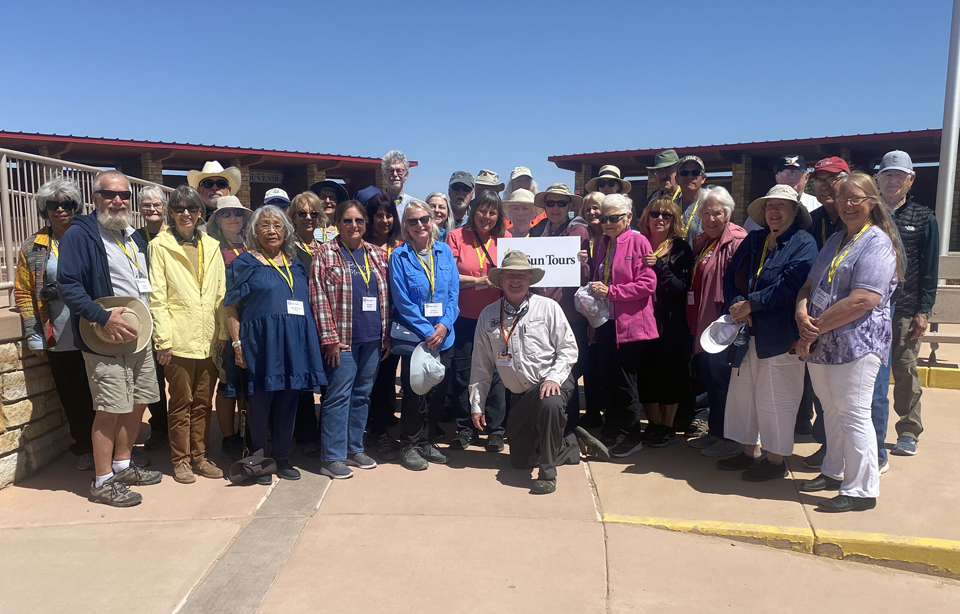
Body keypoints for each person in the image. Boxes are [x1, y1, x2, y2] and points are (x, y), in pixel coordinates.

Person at [796, 172, 901, 512]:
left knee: (853, 413)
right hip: (823, 342)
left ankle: (861, 490)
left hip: (856, 344)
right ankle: (834, 470)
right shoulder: (835, 240)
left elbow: (864, 299)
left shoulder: (879, 243)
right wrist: (802, 312)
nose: (848, 205)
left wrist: (814, 327)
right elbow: (809, 285)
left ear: (872, 202)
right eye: (843, 199)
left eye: (856, 198)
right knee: (830, 410)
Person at [58, 170, 163, 507]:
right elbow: (68, 284)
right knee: (109, 408)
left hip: (138, 335)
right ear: (95, 198)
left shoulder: (131, 235)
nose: (117, 201)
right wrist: (101, 317)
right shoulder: (81, 234)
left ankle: (122, 464)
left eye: (124, 195)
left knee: (138, 402)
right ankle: (103, 480)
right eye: (109, 194)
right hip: (105, 336)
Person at [469, 251, 609, 495]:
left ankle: (548, 473)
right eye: (510, 275)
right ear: (501, 280)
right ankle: (568, 442)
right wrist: (477, 405)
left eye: (521, 275)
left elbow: (568, 349)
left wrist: (554, 377)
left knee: (550, 403)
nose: (515, 280)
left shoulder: (548, 308)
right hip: (521, 396)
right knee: (520, 461)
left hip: (551, 382)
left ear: (530, 279)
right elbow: (481, 365)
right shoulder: (488, 315)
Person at [719, 185, 817, 481]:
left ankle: (775, 459)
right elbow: (730, 276)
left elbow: (790, 285)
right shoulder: (755, 239)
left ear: (795, 211)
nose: (773, 211)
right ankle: (749, 451)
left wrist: (751, 305)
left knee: (777, 397)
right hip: (746, 331)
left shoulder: (804, 242)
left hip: (779, 334)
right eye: (769, 206)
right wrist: (737, 304)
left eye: (781, 206)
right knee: (744, 394)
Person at [224, 206, 326, 483]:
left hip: (294, 343)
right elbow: (231, 307)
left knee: (288, 401)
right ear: (255, 232)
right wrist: (237, 344)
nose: (272, 231)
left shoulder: (295, 264)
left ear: (286, 231)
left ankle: (281, 457)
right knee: (260, 404)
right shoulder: (244, 263)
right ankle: (260, 459)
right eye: (265, 226)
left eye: (277, 226)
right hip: (261, 344)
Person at [14, 176, 96, 470]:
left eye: (68, 204)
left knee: (101, 391)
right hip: (58, 332)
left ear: (77, 206)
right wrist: (34, 336)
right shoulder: (33, 247)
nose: (61, 210)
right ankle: (85, 447)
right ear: (44, 209)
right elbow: (23, 292)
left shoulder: (91, 238)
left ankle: (109, 447)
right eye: (53, 205)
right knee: (73, 394)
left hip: (93, 329)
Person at [148, 185, 227, 483]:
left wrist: (222, 331)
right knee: (181, 403)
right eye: (179, 209)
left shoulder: (212, 245)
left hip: (208, 339)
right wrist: (163, 341)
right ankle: (180, 459)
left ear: (199, 213)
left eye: (192, 209)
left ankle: (200, 456)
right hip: (178, 340)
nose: (186, 214)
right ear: (170, 212)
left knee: (203, 403)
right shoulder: (159, 246)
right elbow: (158, 296)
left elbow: (220, 291)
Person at [309, 200, 390, 479]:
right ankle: (331, 456)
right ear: (338, 224)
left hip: (371, 338)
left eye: (358, 221)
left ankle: (354, 448)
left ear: (365, 224)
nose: (353, 226)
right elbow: (318, 298)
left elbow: (385, 298)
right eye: (347, 220)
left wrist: (386, 333)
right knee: (337, 396)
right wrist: (329, 338)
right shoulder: (326, 254)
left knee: (362, 395)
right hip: (341, 340)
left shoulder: (377, 255)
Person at [874, 151, 938, 461]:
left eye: (899, 175)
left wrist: (924, 311)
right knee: (870, 374)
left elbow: (929, 270)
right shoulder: (869, 214)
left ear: (910, 180)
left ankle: (909, 430)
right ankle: (872, 432)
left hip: (905, 309)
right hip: (869, 310)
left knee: (905, 371)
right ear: (878, 179)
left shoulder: (924, 218)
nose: (893, 180)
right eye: (888, 174)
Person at [389, 200, 460, 471]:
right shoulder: (399, 256)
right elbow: (402, 300)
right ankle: (409, 444)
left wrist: (443, 326)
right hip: (417, 337)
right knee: (415, 392)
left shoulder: (444, 252)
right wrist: (429, 331)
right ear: (405, 226)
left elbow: (453, 294)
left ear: (433, 221)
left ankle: (429, 441)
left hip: (445, 335)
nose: (419, 225)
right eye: (412, 221)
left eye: (424, 219)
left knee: (438, 392)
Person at [588, 194, 658, 457]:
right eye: (603, 218)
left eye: (613, 218)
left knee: (626, 381)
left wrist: (611, 291)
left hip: (630, 325)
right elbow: (600, 277)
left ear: (628, 217)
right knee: (609, 377)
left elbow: (648, 284)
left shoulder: (639, 241)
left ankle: (631, 435)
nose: (606, 223)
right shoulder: (601, 243)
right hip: (605, 321)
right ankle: (612, 427)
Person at [446, 190, 511, 452]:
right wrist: (477, 282)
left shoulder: (506, 239)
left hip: (497, 317)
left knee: (497, 372)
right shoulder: (456, 237)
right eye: (482, 210)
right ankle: (465, 427)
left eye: (493, 212)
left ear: (499, 216)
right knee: (464, 373)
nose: (487, 216)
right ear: (473, 212)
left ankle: (496, 429)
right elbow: (448, 277)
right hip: (464, 318)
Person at [685, 186, 748, 459]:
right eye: (706, 213)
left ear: (728, 214)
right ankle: (715, 432)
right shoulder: (703, 241)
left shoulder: (736, 240)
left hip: (724, 326)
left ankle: (730, 438)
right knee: (711, 380)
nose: (711, 218)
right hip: (704, 323)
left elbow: (741, 282)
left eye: (717, 213)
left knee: (725, 383)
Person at [800, 156, 851, 469]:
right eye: (819, 179)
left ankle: (856, 454)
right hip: (814, 314)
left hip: (849, 315)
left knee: (848, 395)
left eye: (831, 178)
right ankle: (828, 448)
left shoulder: (858, 219)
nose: (825, 185)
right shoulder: (812, 220)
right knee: (821, 389)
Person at [529, 184, 590, 430]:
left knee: (567, 369)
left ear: (569, 207)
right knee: (542, 366)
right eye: (550, 203)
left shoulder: (577, 231)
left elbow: (586, 277)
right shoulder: (535, 232)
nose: (555, 208)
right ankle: (544, 422)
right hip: (541, 313)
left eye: (561, 203)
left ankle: (569, 427)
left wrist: (583, 264)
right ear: (544, 206)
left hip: (568, 314)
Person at [637, 196, 693, 447]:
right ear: (646, 218)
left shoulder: (681, 248)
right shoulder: (638, 244)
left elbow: (681, 288)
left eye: (666, 215)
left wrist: (659, 266)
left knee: (670, 374)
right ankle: (652, 424)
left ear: (674, 221)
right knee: (646, 374)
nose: (659, 218)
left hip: (671, 324)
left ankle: (668, 426)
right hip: (642, 321)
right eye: (655, 214)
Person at [362, 192, 404, 459]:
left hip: (396, 323)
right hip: (367, 323)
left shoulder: (400, 246)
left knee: (387, 378)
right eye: (379, 215)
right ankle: (372, 429)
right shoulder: (360, 246)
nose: (384, 220)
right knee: (369, 380)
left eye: (388, 215)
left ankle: (381, 426)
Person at [286, 191, 327, 456]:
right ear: (293, 217)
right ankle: (306, 434)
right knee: (302, 382)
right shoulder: (288, 248)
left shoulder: (326, 246)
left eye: (313, 213)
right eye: (302, 213)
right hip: (300, 320)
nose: (308, 218)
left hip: (325, 319)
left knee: (329, 379)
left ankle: (329, 431)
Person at [574, 191, 606, 428]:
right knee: (589, 363)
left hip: (609, 312)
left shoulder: (614, 237)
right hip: (584, 313)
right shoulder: (582, 239)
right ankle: (593, 412)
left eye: (597, 208)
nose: (592, 212)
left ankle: (608, 414)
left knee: (604, 363)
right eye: (588, 209)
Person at [743, 156, 821, 233]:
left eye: (796, 173)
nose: (791, 177)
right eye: (785, 173)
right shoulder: (760, 212)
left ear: (806, 177)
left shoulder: (818, 206)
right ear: (777, 178)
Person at [675, 156, 707, 244]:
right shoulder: (671, 207)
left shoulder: (710, 206)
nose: (689, 177)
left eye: (695, 173)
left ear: (703, 179)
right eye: (684, 173)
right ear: (676, 179)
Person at [382, 150, 414, 218]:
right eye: (391, 170)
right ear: (384, 175)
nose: (395, 174)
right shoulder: (377, 204)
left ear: (406, 175)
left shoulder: (414, 204)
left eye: (399, 171)